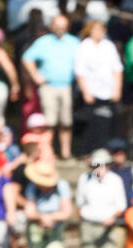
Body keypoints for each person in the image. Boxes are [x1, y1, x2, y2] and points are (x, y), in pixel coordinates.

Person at [22, 13, 79, 160]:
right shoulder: (44, 42)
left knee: (66, 122)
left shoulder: (74, 42)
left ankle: (66, 153)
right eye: (57, 26)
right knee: (50, 122)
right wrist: (35, 76)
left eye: (63, 26)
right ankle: (49, 152)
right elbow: (27, 58)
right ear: (52, 26)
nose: (60, 29)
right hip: (48, 87)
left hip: (67, 86)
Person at [76, 148, 127, 248]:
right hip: (89, 225)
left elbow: (121, 205)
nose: (98, 168)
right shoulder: (84, 179)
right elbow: (80, 204)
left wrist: (111, 218)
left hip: (108, 228)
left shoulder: (115, 180)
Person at [74, 18, 123, 158]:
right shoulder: (84, 46)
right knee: (91, 124)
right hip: (91, 92)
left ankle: (107, 151)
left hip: (108, 91)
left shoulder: (108, 46)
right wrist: (85, 91)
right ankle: (87, 152)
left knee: (108, 123)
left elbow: (117, 69)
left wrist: (117, 89)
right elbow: (80, 72)